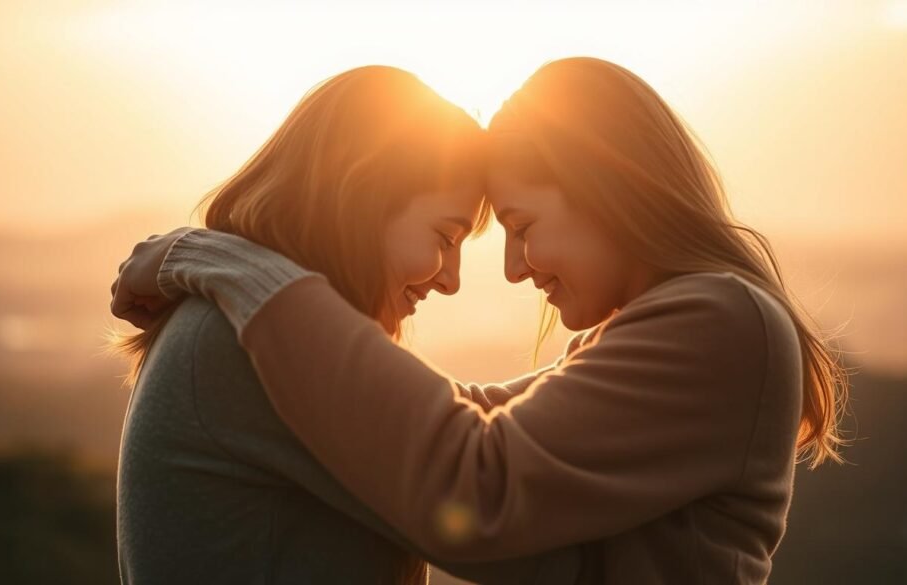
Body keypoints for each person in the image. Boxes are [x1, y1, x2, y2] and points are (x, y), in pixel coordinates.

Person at [112, 57, 847, 583]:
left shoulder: (721, 320)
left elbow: (476, 485)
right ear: (359, 195)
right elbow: (473, 450)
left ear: (608, 194)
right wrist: (237, 273)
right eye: (445, 236)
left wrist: (233, 267)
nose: (510, 269)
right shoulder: (235, 344)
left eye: (523, 225)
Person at [112, 64, 583, 585]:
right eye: (444, 238)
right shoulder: (246, 348)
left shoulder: (244, 329)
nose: (450, 281)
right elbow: (492, 527)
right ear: (361, 200)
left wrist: (628, 369)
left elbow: (464, 413)